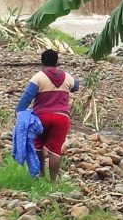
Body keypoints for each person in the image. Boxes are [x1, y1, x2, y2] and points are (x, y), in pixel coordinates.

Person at [15, 49, 79, 182]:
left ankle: (41, 173)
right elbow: (76, 86)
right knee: (55, 150)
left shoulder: (38, 77)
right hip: (62, 118)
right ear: (57, 62)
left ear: (42, 62)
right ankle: (53, 181)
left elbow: (27, 98)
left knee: (38, 145)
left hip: (42, 117)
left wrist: (19, 112)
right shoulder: (66, 77)